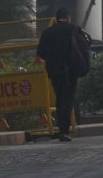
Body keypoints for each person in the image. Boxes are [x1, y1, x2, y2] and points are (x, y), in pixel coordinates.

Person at [36, 8, 83, 141]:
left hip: (54, 72)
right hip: (70, 71)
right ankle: (64, 130)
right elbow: (83, 46)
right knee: (67, 100)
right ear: (68, 18)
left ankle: (61, 128)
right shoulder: (74, 29)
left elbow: (41, 52)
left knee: (60, 98)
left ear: (56, 19)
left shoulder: (47, 33)